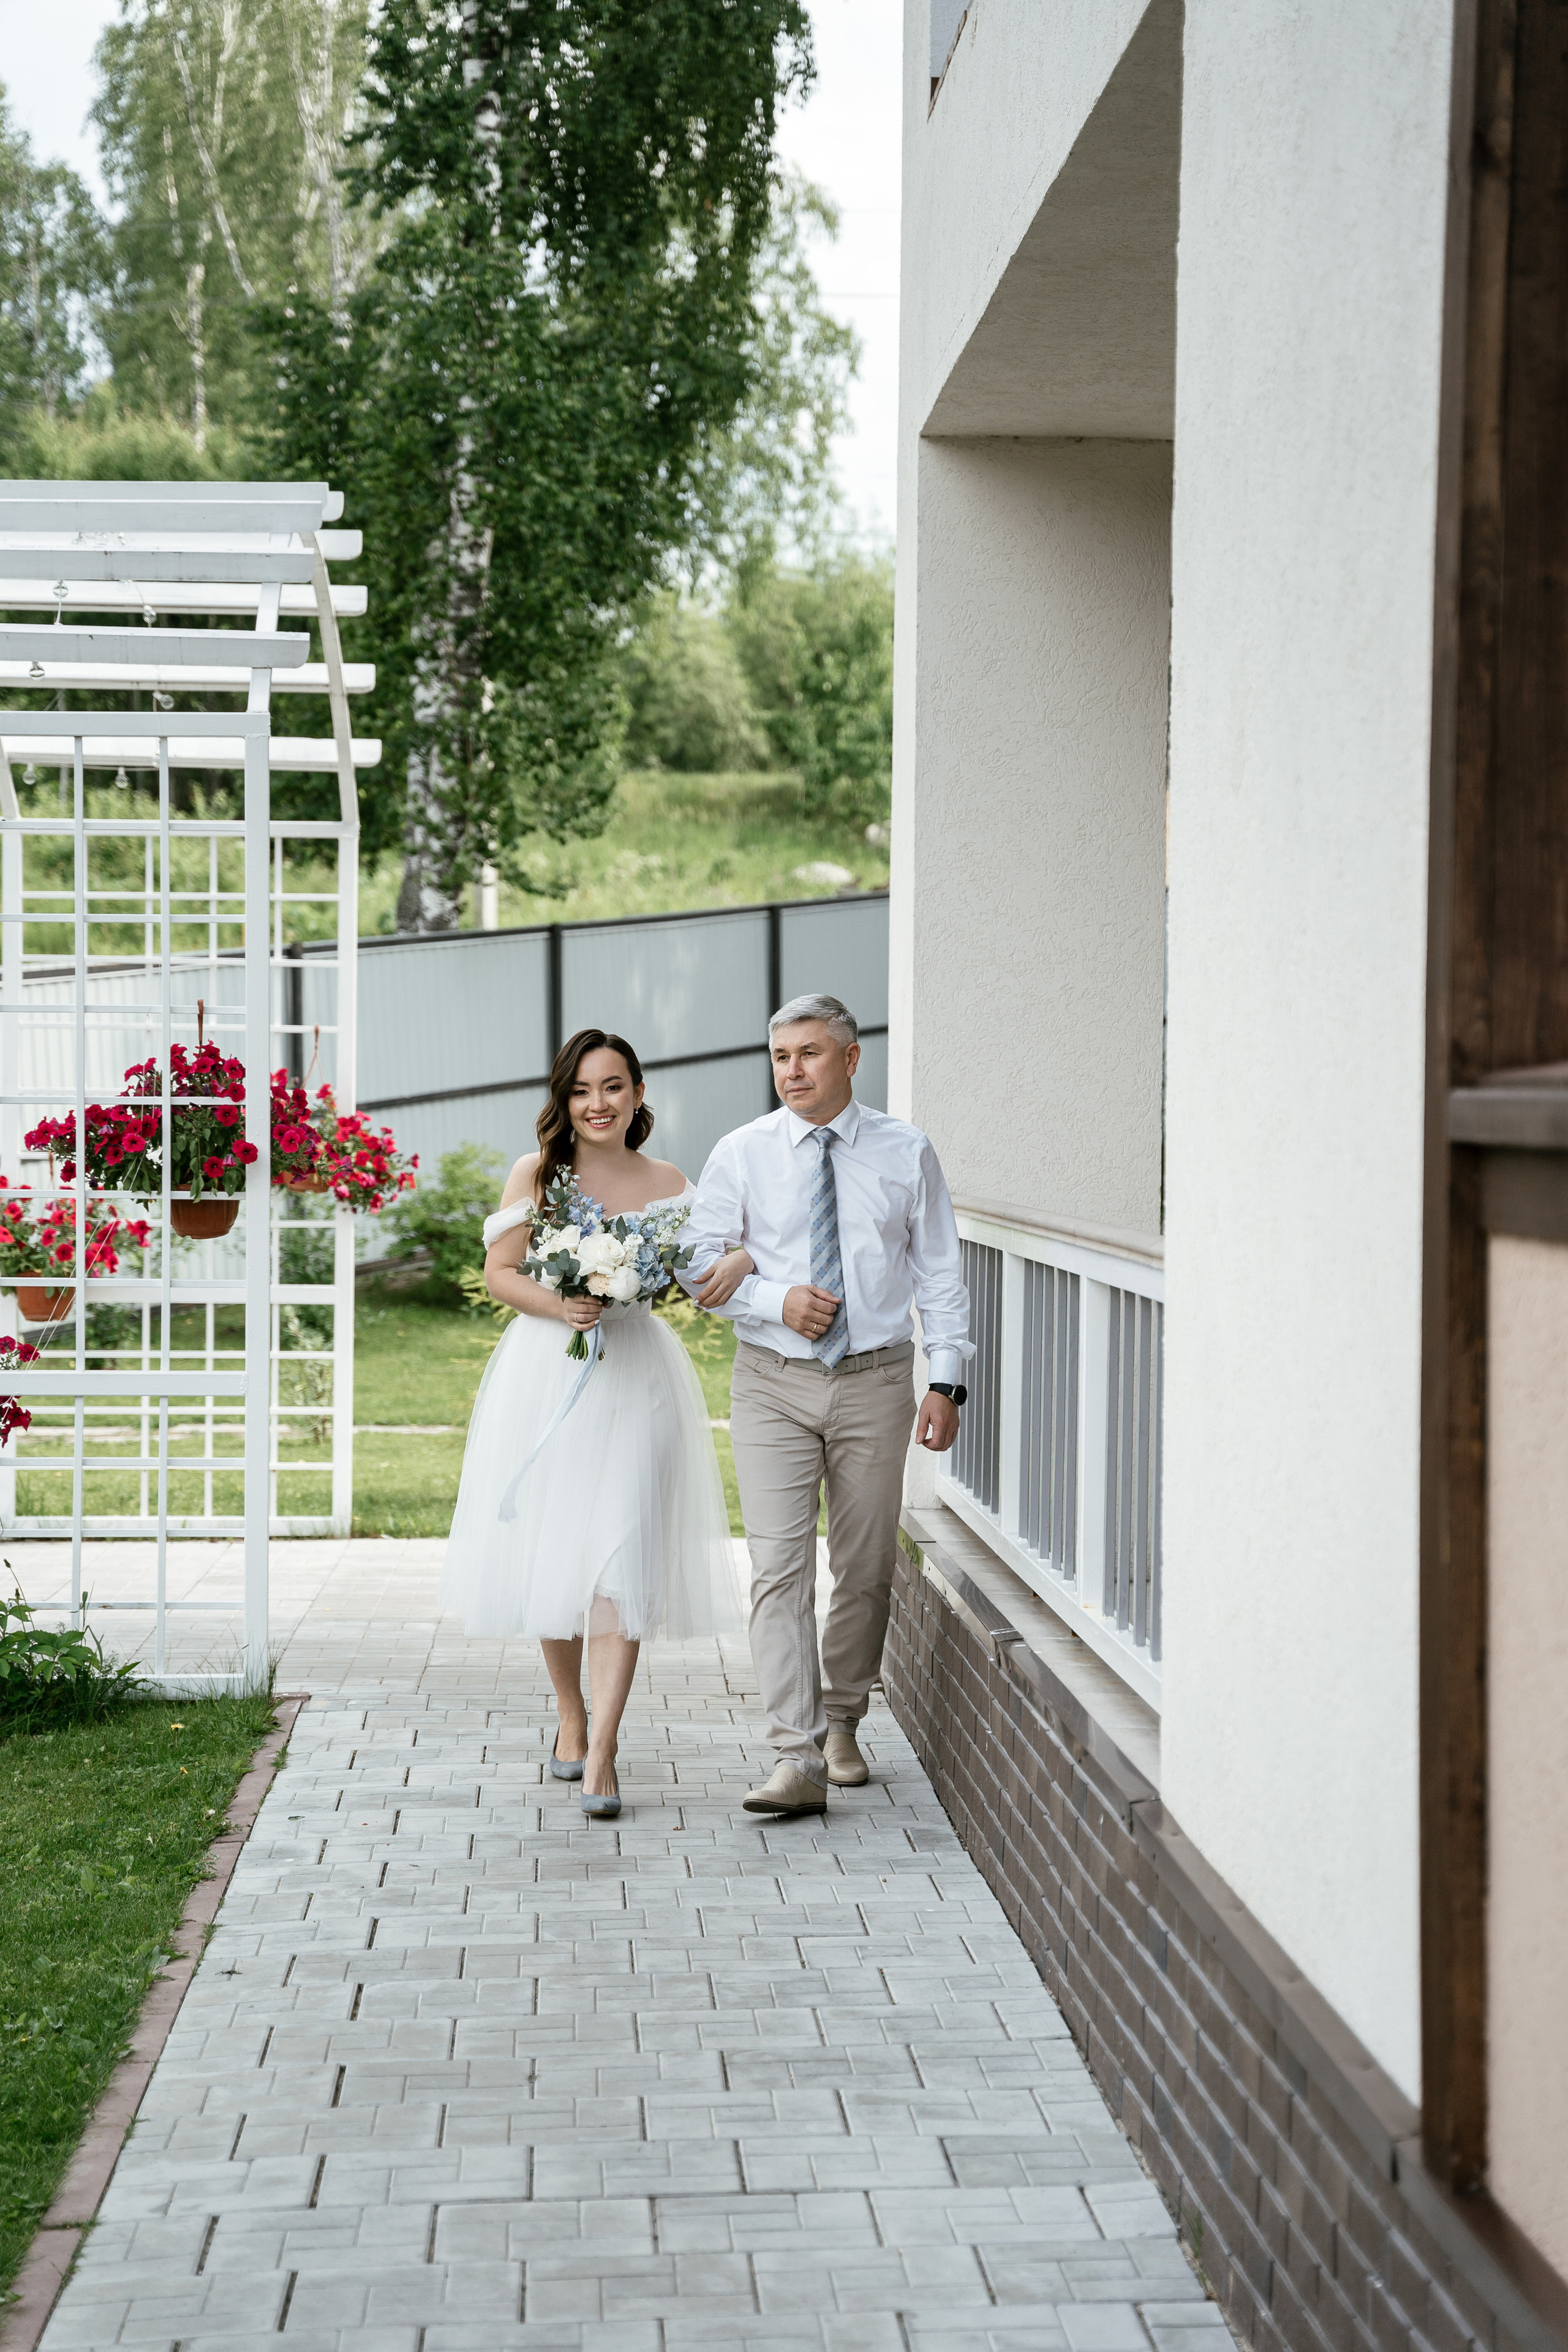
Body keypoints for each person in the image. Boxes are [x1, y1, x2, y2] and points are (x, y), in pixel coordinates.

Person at [438, 1028, 746, 1819]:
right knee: (558, 1554)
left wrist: (739, 1263)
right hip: (547, 1371)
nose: (597, 1103)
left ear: (639, 1094)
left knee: (618, 1556)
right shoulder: (538, 1174)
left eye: (613, 1087)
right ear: (563, 1100)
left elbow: (690, 1282)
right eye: (581, 1090)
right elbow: (500, 1273)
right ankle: (570, 1717)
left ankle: (604, 1750)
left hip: (637, 1378)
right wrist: (562, 1302)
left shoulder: (671, 1181)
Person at [684, 993, 971, 1815]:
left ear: (851, 1059)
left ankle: (843, 1718)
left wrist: (946, 1380)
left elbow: (940, 1275)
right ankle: (796, 1756)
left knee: (866, 1567)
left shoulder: (905, 1152)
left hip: (878, 1381)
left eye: (810, 1053)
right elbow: (697, 1270)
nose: (793, 1071)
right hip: (772, 1383)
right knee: (778, 1570)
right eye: (781, 1057)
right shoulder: (742, 1152)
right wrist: (777, 1301)